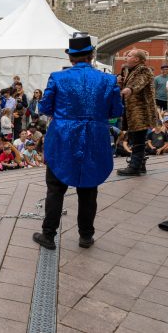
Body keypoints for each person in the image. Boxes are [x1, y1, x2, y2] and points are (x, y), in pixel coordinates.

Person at [33, 33, 123, 251]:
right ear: (91, 56)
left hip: (63, 138)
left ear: (70, 58)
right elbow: (116, 111)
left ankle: (49, 235)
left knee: (55, 188)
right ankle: (86, 236)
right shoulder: (108, 80)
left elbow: (44, 108)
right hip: (94, 137)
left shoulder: (57, 77)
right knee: (89, 188)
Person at [117, 49, 157, 176]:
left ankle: (134, 167)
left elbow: (139, 83)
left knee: (138, 139)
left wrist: (129, 89)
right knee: (136, 138)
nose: (126, 58)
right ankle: (141, 165)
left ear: (137, 59)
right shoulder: (130, 71)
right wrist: (121, 83)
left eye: (129, 56)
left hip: (141, 112)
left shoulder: (144, 70)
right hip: (133, 112)